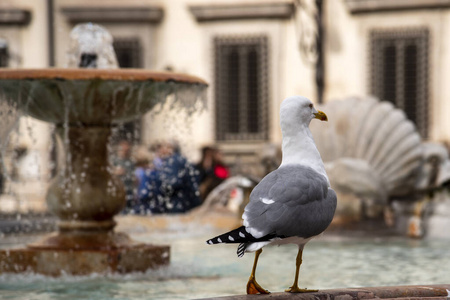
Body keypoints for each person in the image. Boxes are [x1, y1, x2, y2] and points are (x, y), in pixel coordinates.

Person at [137, 141, 201, 214]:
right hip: (184, 202)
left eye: (163, 147)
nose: (160, 151)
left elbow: (171, 184)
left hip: (177, 204)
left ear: (171, 149)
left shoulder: (173, 161)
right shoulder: (178, 159)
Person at [112, 140, 136, 210]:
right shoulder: (114, 160)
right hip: (118, 189)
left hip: (129, 189)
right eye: (123, 149)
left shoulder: (131, 161)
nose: (125, 151)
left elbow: (133, 175)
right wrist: (116, 172)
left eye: (127, 150)